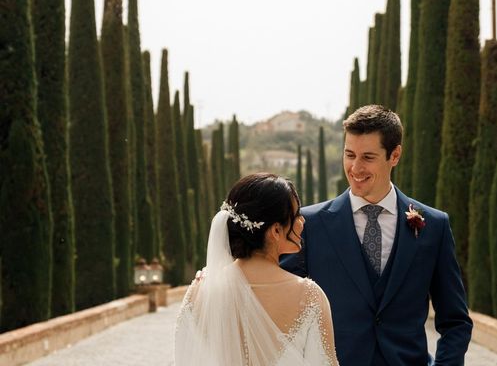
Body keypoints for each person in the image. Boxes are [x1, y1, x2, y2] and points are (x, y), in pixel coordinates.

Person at [282, 105, 472, 365]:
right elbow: (281, 305)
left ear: (394, 156)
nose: (355, 168)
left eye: (368, 157)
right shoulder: (310, 224)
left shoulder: (435, 226)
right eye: (349, 155)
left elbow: (455, 321)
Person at [175, 173, 339, 365]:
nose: (302, 222)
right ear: (276, 231)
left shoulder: (199, 290)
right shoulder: (309, 296)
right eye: (297, 215)